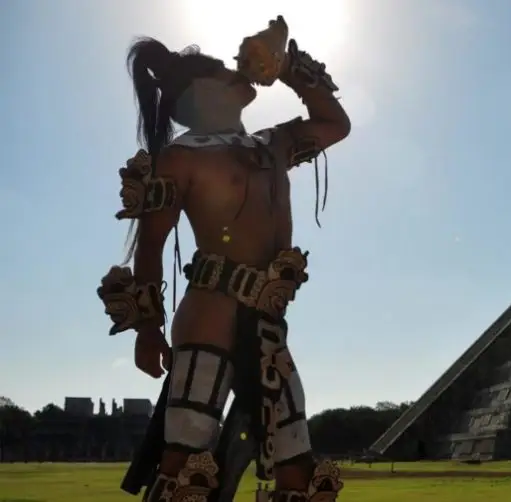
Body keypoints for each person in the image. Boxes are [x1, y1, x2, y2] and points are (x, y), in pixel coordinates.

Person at [98, 16, 350, 502]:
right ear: (201, 94)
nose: (237, 71)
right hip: (209, 318)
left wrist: (288, 66)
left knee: (298, 469)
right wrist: (148, 330)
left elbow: (335, 124)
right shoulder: (181, 158)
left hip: (269, 328)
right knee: (184, 468)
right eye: (222, 70)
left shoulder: (273, 144)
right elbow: (150, 246)